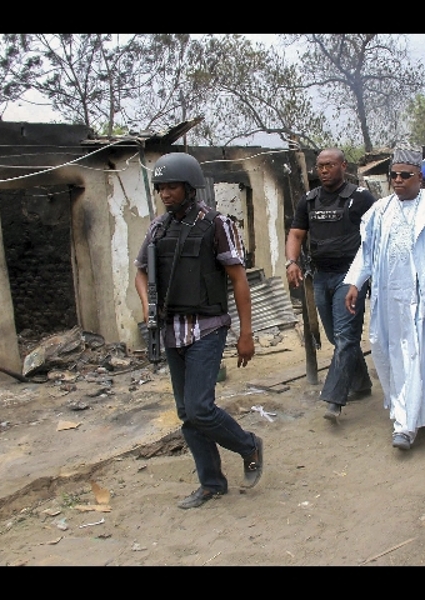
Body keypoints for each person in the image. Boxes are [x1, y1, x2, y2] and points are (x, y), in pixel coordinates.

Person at [134, 152, 263, 509]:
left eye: (172, 187)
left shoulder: (218, 224)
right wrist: (147, 306)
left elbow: (239, 280)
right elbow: (141, 271)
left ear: (190, 188)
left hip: (207, 328)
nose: (165, 194)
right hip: (171, 331)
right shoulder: (158, 228)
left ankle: (249, 445)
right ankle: (211, 484)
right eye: (161, 188)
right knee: (186, 414)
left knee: (200, 408)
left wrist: (246, 333)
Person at [344, 144, 425, 450]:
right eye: (394, 175)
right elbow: (367, 252)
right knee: (394, 354)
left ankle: (406, 425)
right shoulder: (379, 211)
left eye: (405, 175)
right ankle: (411, 409)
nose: (398, 180)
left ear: (419, 177)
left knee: (421, 354)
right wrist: (355, 282)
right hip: (390, 299)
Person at [285, 148, 376, 422]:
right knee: (336, 337)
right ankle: (361, 383)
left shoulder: (360, 198)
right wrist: (291, 262)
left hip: (351, 278)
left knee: (345, 336)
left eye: (330, 165)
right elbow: (296, 234)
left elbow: (375, 234)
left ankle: (334, 399)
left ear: (343, 166)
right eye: (320, 166)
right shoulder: (309, 200)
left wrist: (369, 273)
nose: (324, 170)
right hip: (321, 276)